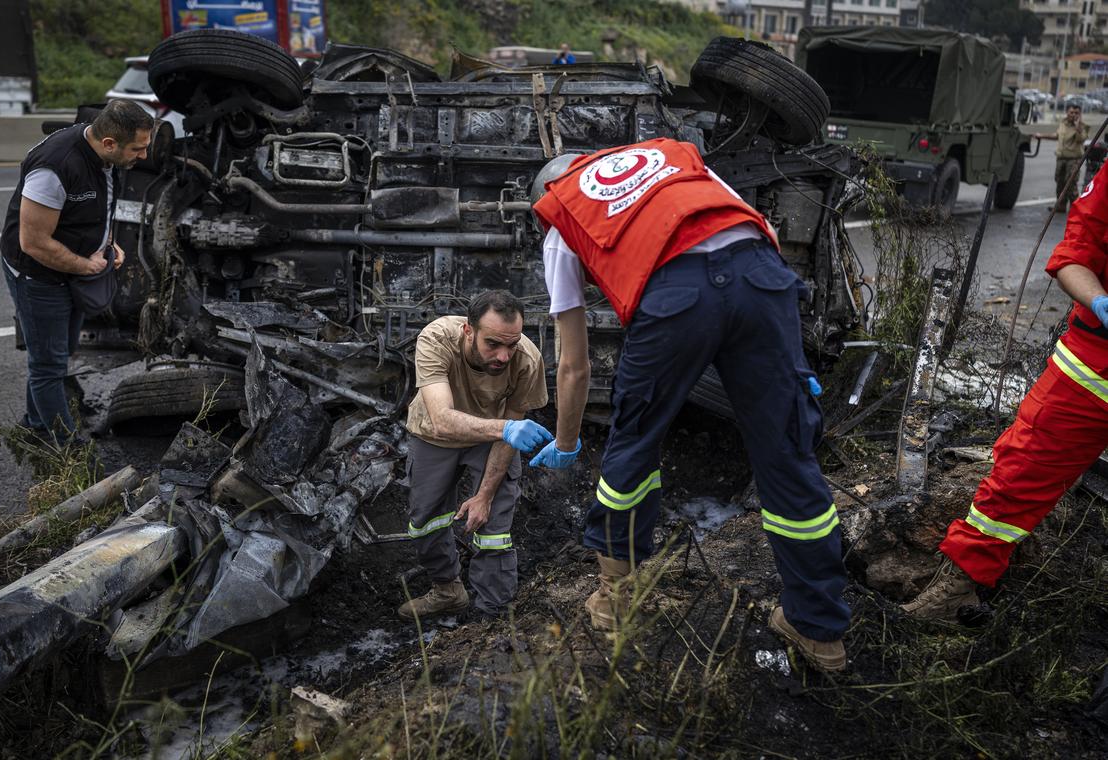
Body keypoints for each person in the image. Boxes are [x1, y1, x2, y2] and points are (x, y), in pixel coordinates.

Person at [527, 138, 850, 671]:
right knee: (787, 451)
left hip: (677, 296)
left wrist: (566, 442)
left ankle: (615, 604)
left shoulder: (565, 217)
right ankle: (820, 632)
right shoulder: (673, 166)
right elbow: (761, 230)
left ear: (549, 195)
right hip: (762, 279)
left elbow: (574, 365)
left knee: (634, 440)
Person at [903, 160, 1108, 620]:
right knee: (1019, 472)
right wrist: (1099, 301)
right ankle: (959, 589)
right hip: (1094, 367)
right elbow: (1076, 254)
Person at [0, 99, 152, 445]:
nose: (143, 156)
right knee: (48, 364)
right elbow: (34, 242)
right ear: (110, 143)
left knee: (60, 350)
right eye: (137, 149)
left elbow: (102, 204)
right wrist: (86, 265)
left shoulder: (106, 158)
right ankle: (63, 444)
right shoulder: (55, 167)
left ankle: (35, 422)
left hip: (70, 265)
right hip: (38, 274)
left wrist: (109, 241)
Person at [399, 291, 551, 622]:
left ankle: (492, 621)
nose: (504, 355)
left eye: (511, 344)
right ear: (469, 331)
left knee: (494, 528)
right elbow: (442, 419)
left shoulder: (526, 359)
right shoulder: (437, 338)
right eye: (493, 343)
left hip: (493, 440)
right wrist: (507, 429)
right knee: (425, 521)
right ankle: (448, 591)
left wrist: (483, 495)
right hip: (435, 434)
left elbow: (508, 434)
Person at [1036, 103, 1089, 213]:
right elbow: (1057, 135)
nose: (1073, 115)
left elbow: (1081, 139)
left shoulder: (1082, 126)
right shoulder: (1063, 123)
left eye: (1076, 113)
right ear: (1067, 113)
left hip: (1074, 159)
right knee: (1060, 181)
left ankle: (1076, 208)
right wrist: (1042, 135)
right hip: (1061, 158)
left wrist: (1077, 125)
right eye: (1071, 112)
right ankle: (1061, 205)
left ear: (1080, 115)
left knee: (1070, 183)